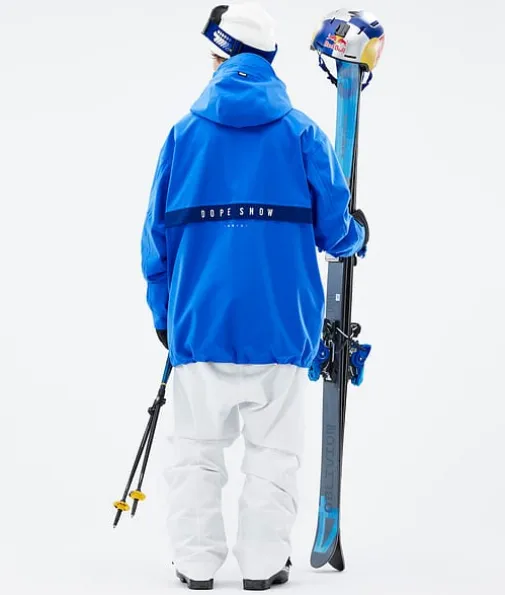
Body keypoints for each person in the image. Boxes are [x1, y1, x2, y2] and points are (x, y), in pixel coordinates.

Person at [141, 2, 369, 591]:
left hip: (200, 327)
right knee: (274, 455)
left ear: (221, 56)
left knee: (196, 453)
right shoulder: (302, 133)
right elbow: (336, 232)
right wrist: (358, 234)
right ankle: (264, 566)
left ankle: (196, 566)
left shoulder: (183, 136)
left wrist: (165, 318)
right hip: (282, 328)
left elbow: (156, 243)